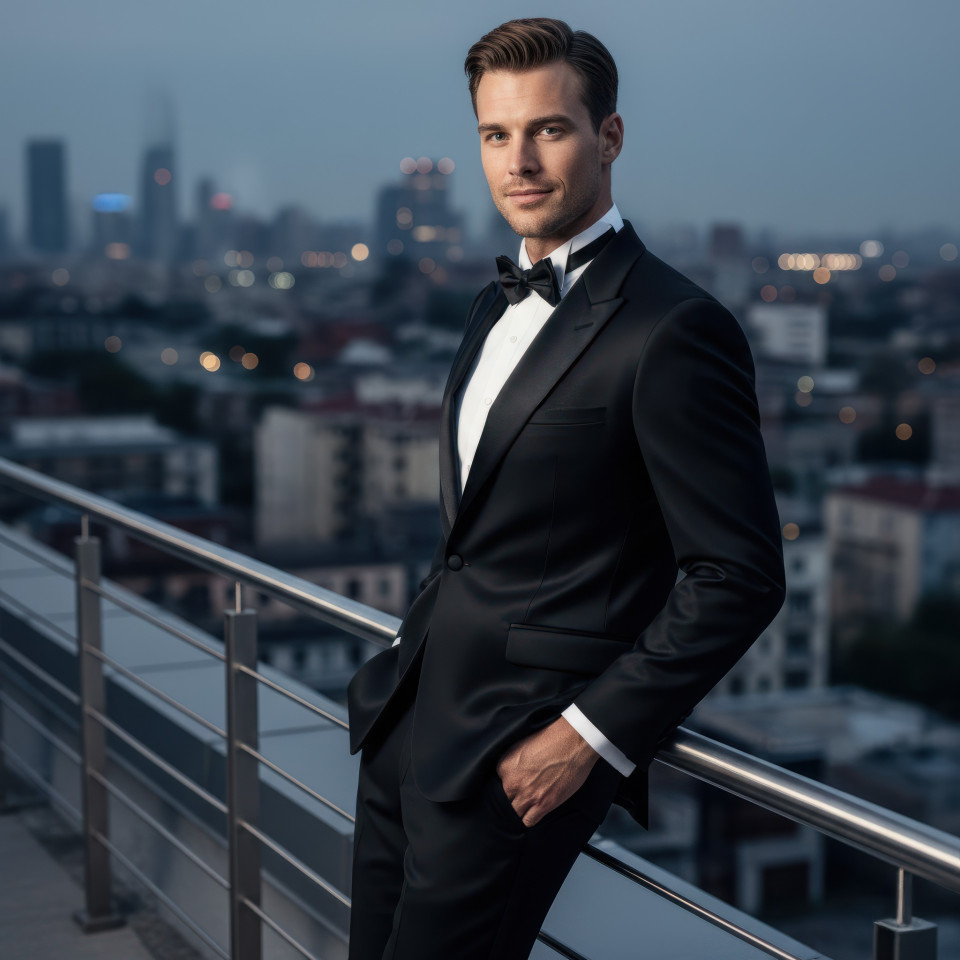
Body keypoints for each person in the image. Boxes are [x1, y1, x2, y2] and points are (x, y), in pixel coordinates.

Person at [346, 17, 785, 960]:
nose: (520, 161)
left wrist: (585, 738)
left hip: (517, 761)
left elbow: (739, 574)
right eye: (496, 135)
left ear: (609, 138)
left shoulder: (674, 329)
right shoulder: (491, 300)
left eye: (549, 129)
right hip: (407, 725)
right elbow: (474, 532)